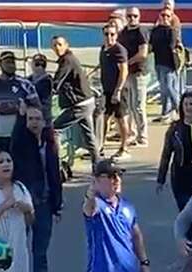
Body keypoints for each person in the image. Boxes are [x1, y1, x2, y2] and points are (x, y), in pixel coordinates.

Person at [10, 106, 62, 272]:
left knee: (40, 251)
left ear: (43, 121)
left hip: (45, 204)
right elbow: (15, 140)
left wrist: (57, 204)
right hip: (24, 203)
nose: (33, 122)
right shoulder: (22, 143)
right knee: (17, 249)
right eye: (29, 118)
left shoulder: (49, 144)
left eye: (37, 118)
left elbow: (54, 174)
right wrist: (19, 116)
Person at [50, 36, 99, 167]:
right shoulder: (68, 59)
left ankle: (56, 163)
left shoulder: (67, 61)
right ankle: (98, 165)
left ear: (66, 45)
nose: (57, 48)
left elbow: (57, 82)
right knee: (89, 136)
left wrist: (46, 89)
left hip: (80, 104)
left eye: (60, 44)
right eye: (54, 45)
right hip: (86, 101)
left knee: (54, 129)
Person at [0, 51, 40, 152]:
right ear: (0, 64)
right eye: (8, 62)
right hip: (0, 135)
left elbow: (37, 107)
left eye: (13, 62)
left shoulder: (25, 84)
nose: (11, 65)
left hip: (21, 134)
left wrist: (21, 109)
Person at [118, 7, 149, 148]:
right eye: (129, 16)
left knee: (138, 106)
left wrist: (128, 62)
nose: (132, 18)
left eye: (135, 16)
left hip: (139, 72)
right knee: (130, 105)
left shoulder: (141, 31)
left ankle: (143, 136)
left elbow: (143, 53)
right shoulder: (123, 32)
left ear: (139, 17)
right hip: (128, 73)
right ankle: (132, 132)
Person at [100, 23, 131, 160]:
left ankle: (124, 147)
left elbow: (124, 71)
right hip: (106, 90)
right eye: (106, 34)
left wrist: (117, 91)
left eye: (112, 34)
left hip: (118, 90)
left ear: (116, 35)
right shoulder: (103, 49)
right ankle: (100, 145)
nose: (109, 37)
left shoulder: (119, 50)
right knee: (105, 118)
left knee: (121, 119)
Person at [149, 6, 183, 124]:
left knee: (169, 87)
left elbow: (172, 46)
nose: (165, 18)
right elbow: (151, 46)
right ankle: (165, 113)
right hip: (158, 62)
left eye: (167, 16)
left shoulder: (171, 31)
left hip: (169, 63)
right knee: (163, 89)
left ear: (171, 17)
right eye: (163, 15)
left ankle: (180, 110)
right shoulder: (155, 30)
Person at [28, 53, 53, 123]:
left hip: (43, 117)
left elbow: (42, 101)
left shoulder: (47, 81)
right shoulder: (29, 79)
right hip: (30, 117)